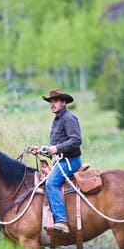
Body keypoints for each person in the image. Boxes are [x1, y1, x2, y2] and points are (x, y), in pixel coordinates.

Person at [30, 89, 82, 234]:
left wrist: (57, 148)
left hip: (71, 161)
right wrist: (41, 150)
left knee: (51, 183)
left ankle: (62, 221)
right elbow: (55, 149)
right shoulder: (58, 119)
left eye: (56, 101)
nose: (52, 104)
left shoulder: (69, 118)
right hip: (62, 161)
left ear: (64, 103)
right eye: (51, 102)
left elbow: (76, 140)